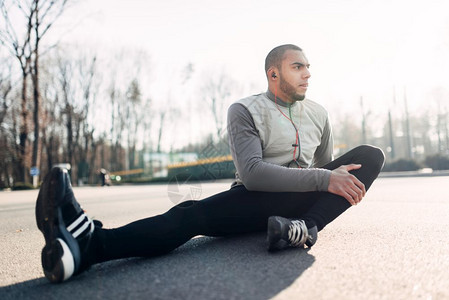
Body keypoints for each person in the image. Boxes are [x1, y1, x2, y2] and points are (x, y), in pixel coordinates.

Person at [35, 44, 385, 283]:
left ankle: (305, 229)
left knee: (370, 155)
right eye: (297, 67)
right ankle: (87, 247)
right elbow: (252, 173)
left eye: (308, 66)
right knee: (190, 215)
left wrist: (324, 181)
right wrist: (324, 179)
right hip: (256, 198)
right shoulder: (245, 110)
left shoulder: (320, 114)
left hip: (300, 209)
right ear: (273, 74)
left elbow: (328, 169)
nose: (307, 73)